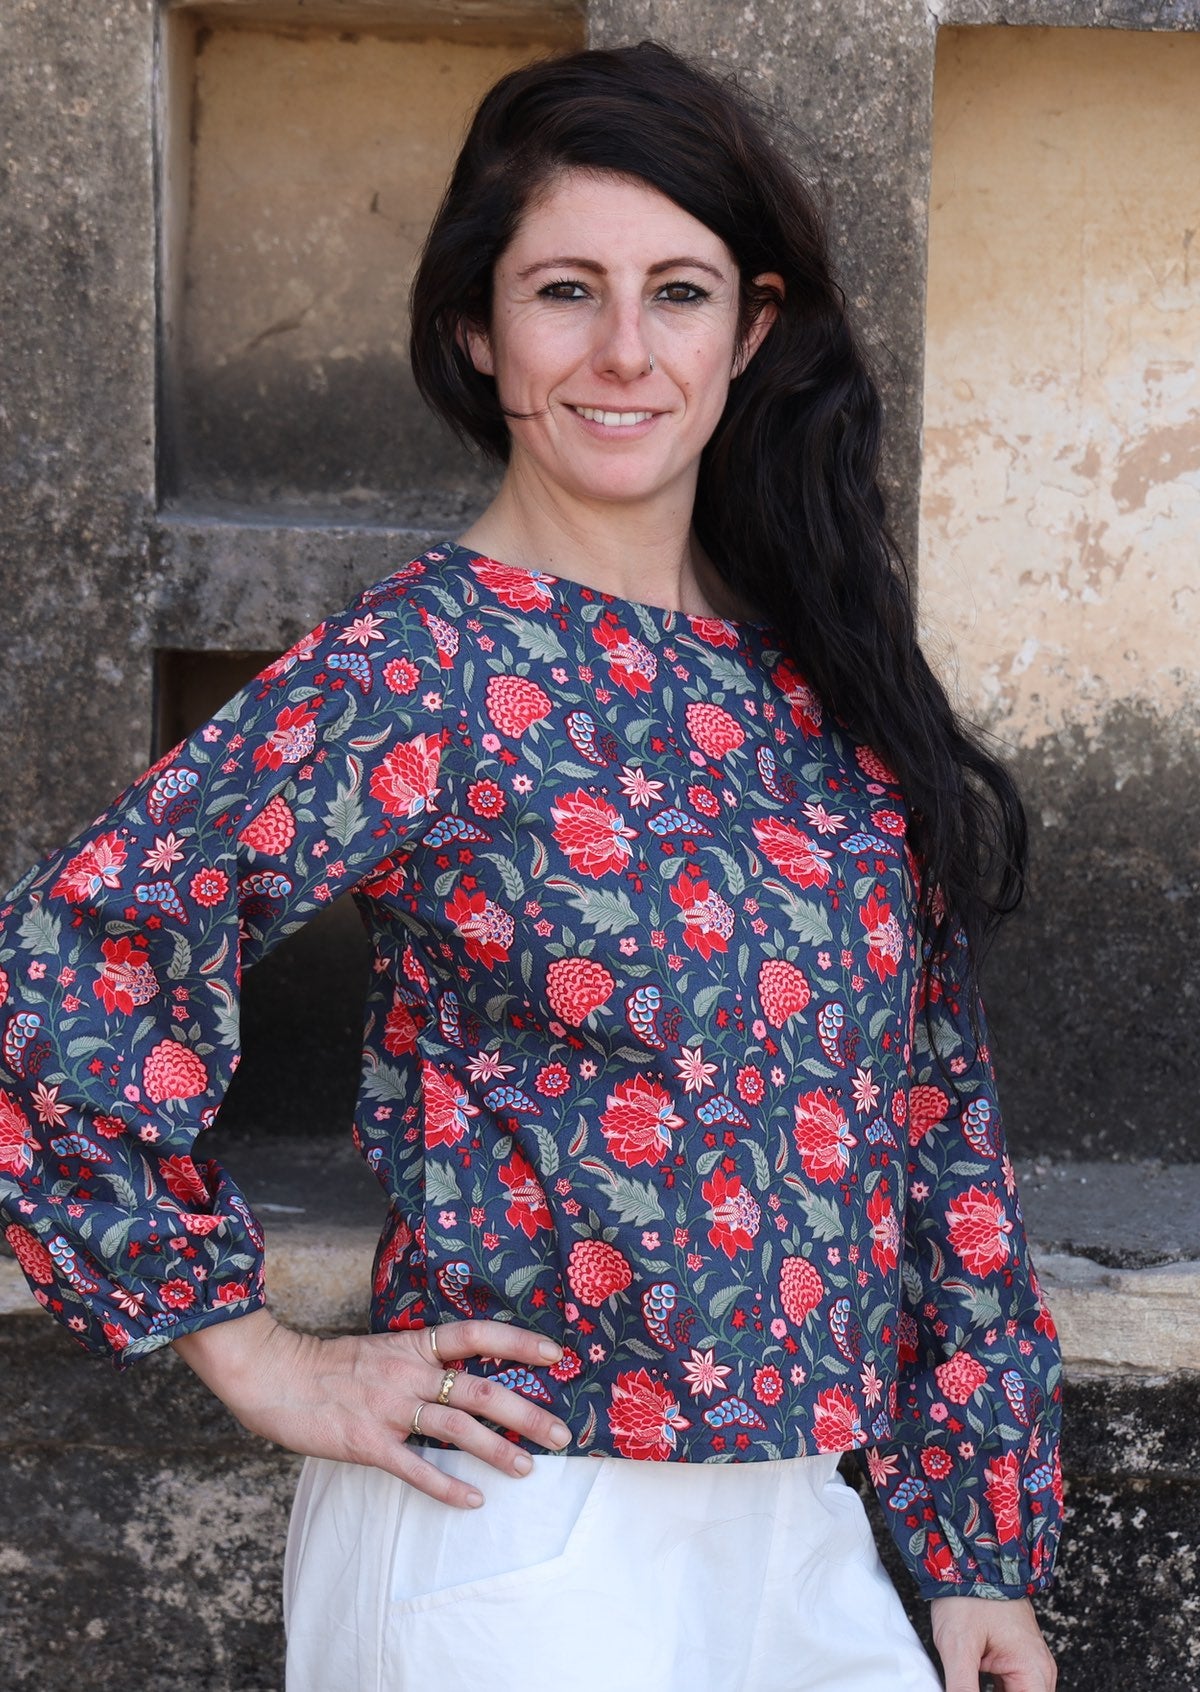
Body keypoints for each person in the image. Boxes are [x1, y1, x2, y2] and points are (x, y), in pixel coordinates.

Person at [0, 41, 1061, 1692]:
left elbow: (932, 1115)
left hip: (807, 1536)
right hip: (519, 1533)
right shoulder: (417, 670)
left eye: (679, 293)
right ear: (477, 333)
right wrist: (262, 1358)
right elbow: (65, 973)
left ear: (751, 331)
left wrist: (977, 1543)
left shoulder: (821, 682)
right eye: (566, 291)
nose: (625, 351)